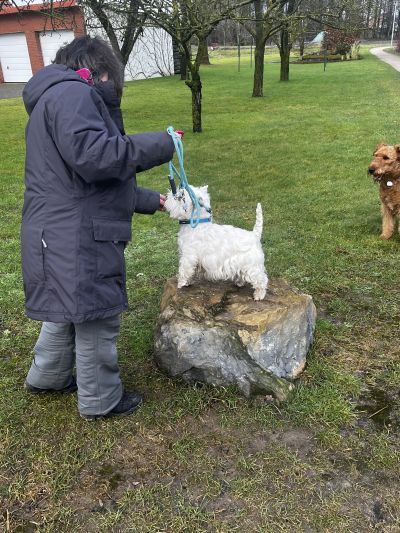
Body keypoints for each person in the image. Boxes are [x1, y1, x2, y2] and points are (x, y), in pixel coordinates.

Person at [21, 36, 176, 420]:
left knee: (66, 310)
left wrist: (150, 200)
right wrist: (163, 143)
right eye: (110, 77)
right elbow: (99, 159)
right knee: (94, 316)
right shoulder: (74, 96)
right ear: (97, 70)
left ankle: (48, 376)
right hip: (78, 236)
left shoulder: (52, 98)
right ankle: (101, 399)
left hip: (53, 232)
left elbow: (89, 182)